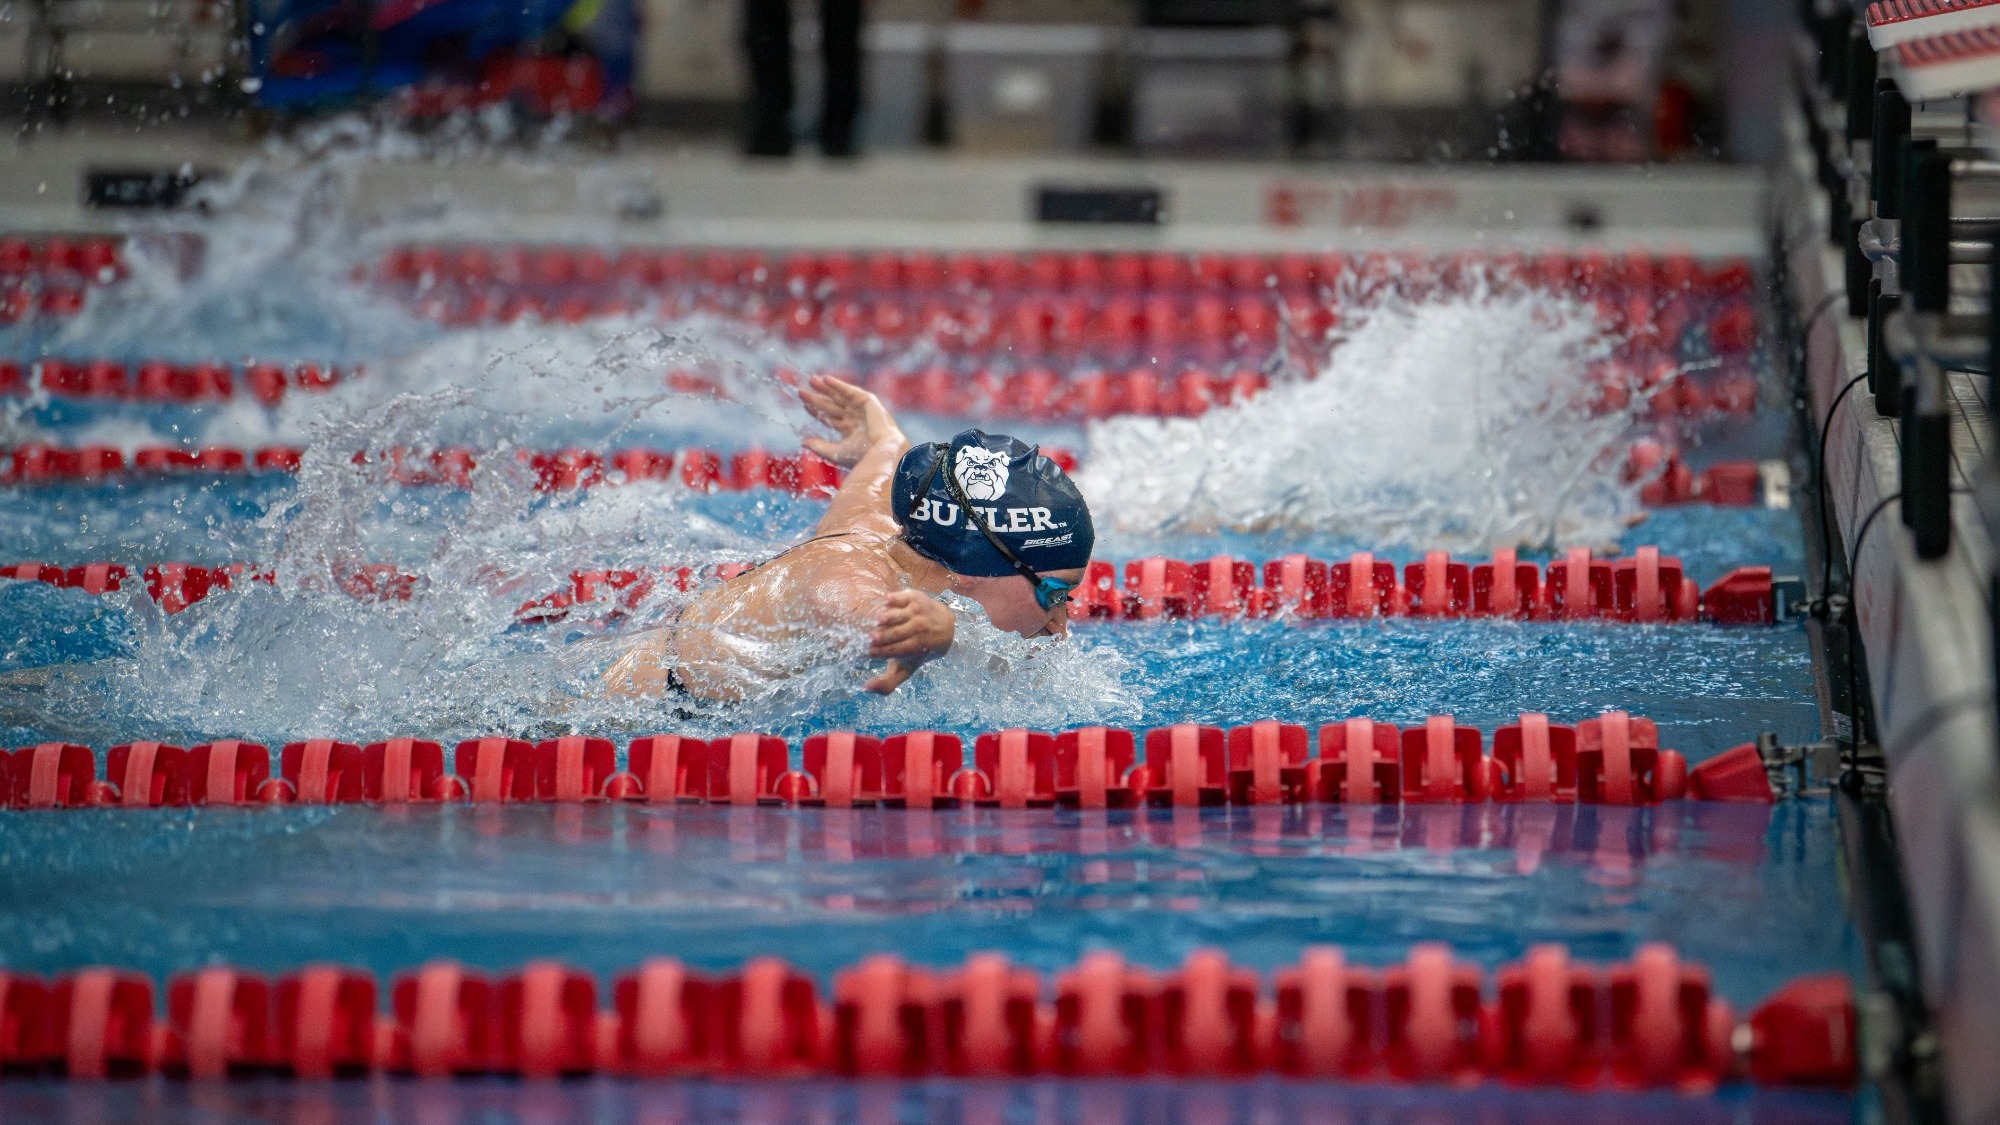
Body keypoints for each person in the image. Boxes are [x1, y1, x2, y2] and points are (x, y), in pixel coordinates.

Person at [603, 374, 1092, 702]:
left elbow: (887, 461)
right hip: (624, 717)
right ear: (974, 566)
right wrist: (935, 628)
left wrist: (879, 437)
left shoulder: (886, 530)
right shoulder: (844, 576)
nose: (1060, 625)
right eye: (1054, 594)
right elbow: (849, 609)